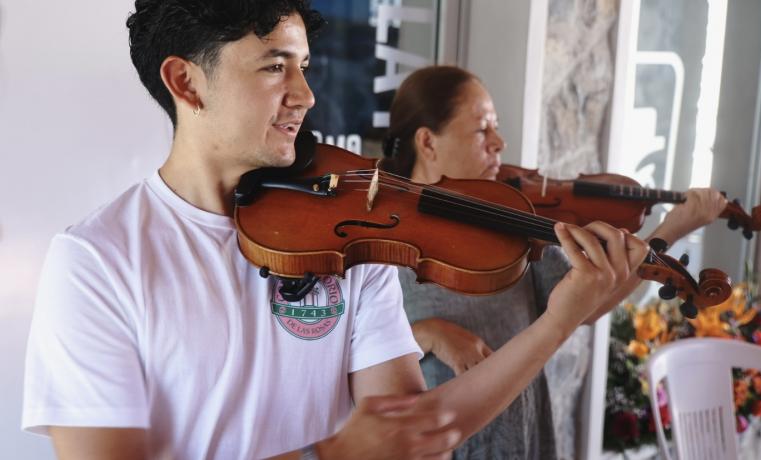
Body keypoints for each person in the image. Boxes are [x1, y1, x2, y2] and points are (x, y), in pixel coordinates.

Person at [21, 2, 649, 459]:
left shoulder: (346, 231)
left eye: (304, 67)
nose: (306, 95)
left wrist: (558, 322)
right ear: (186, 81)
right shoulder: (97, 262)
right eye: (274, 67)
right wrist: (325, 455)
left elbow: (416, 433)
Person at [380, 65, 728, 459]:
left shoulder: (507, 216)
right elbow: (347, 353)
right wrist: (426, 333)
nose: (499, 142)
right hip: (440, 443)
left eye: (496, 128)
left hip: (522, 432)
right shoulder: (378, 233)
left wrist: (670, 230)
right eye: (482, 130)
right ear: (427, 142)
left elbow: (588, 304)